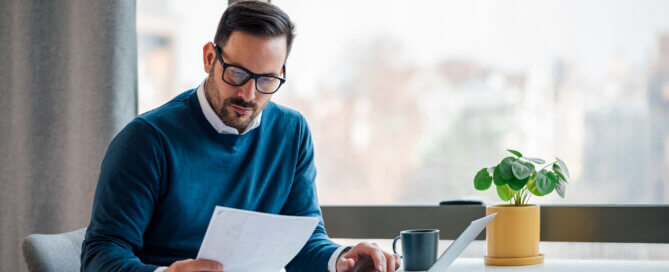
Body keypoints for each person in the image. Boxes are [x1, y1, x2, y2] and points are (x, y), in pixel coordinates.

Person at [80, 1, 400, 271]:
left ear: (282, 74)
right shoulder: (147, 140)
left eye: (267, 80)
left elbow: (304, 240)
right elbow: (100, 255)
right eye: (237, 73)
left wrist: (342, 258)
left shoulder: (292, 132)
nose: (248, 94)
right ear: (209, 58)